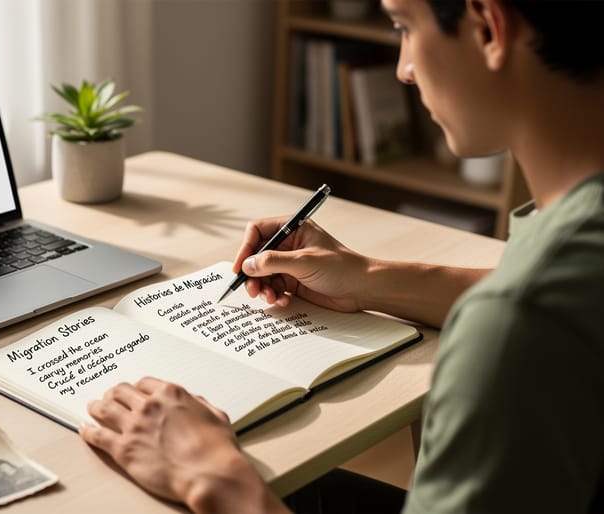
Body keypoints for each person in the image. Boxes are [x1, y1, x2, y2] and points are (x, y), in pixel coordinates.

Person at [78, 0, 604, 513]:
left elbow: (529, 309)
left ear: (489, 27)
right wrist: (367, 278)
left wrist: (217, 481)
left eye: (404, 26)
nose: (404, 70)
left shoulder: (518, 324)